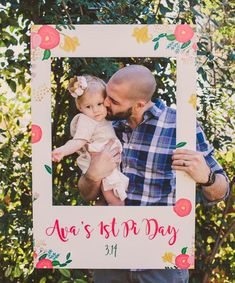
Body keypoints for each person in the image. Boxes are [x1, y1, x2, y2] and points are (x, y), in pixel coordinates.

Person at [78, 65, 229, 283]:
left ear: (139, 104)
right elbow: (87, 194)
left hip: (161, 263)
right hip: (111, 256)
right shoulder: (103, 127)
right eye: (106, 96)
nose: (105, 104)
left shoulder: (180, 126)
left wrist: (207, 177)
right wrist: (93, 174)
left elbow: (221, 192)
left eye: (114, 101)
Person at [52, 75, 129, 206]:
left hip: (108, 159)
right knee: (116, 200)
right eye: (88, 106)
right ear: (80, 107)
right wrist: (63, 151)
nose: (95, 110)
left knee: (105, 197)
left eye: (99, 104)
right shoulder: (86, 120)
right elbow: (78, 141)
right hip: (99, 158)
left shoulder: (105, 117)